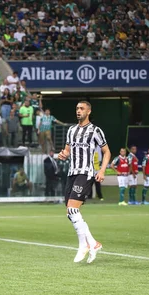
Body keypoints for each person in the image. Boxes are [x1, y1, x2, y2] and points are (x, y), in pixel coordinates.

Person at [58, 101, 110, 264]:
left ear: (88, 111)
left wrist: (101, 171)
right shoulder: (72, 130)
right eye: (77, 109)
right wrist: (64, 154)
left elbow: (106, 151)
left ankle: (83, 245)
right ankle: (93, 243)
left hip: (86, 173)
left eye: (81, 109)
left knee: (73, 209)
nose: (78, 111)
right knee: (70, 213)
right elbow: (67, 150)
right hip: (72, 173)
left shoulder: (95, 130)